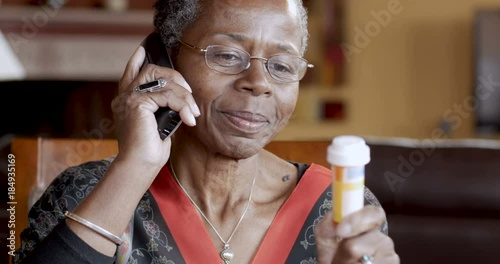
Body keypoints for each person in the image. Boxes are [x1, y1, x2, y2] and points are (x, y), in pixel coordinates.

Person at [13, 0, 399, 263]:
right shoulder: (84, 193)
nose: (259, 82)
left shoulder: (340, 210)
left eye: (282, 65)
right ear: (163, 60)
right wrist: (136, 166)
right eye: (228, 56)